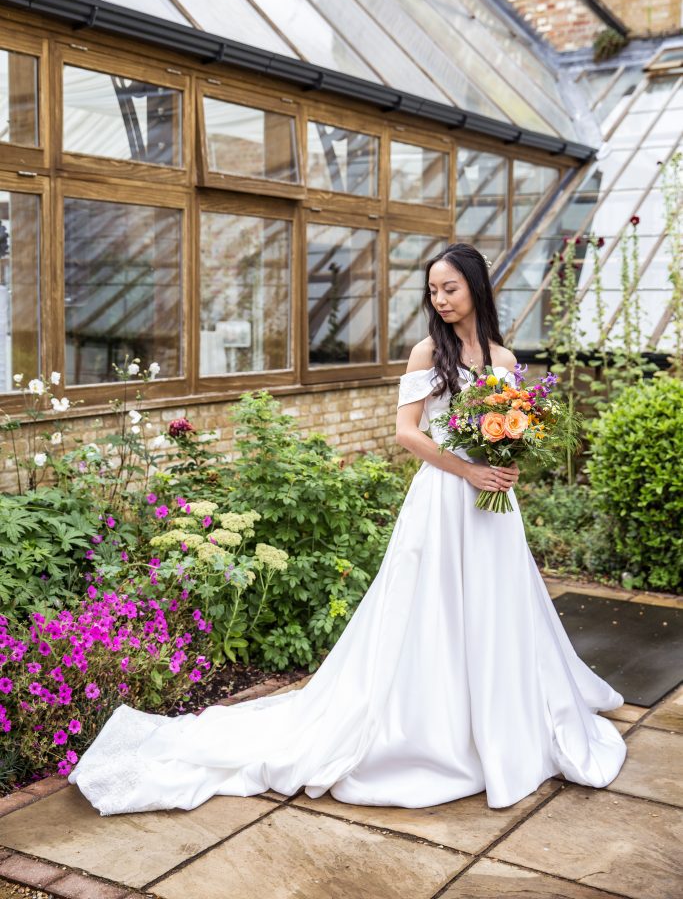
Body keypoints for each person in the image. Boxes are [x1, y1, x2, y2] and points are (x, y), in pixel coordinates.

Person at [69, 242, 627, 816]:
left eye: (449, 288)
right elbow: (407, 433)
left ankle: (501, 719)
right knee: (432, 610)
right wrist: (468, 468)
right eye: (432, 290)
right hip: (442, 498)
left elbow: (513, 433)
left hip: (491, 509)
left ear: (476, 288)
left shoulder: (505, 362)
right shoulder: (426, 353)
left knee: (494, 607)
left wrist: (506, 465)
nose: (440, 299)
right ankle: (434, 730)